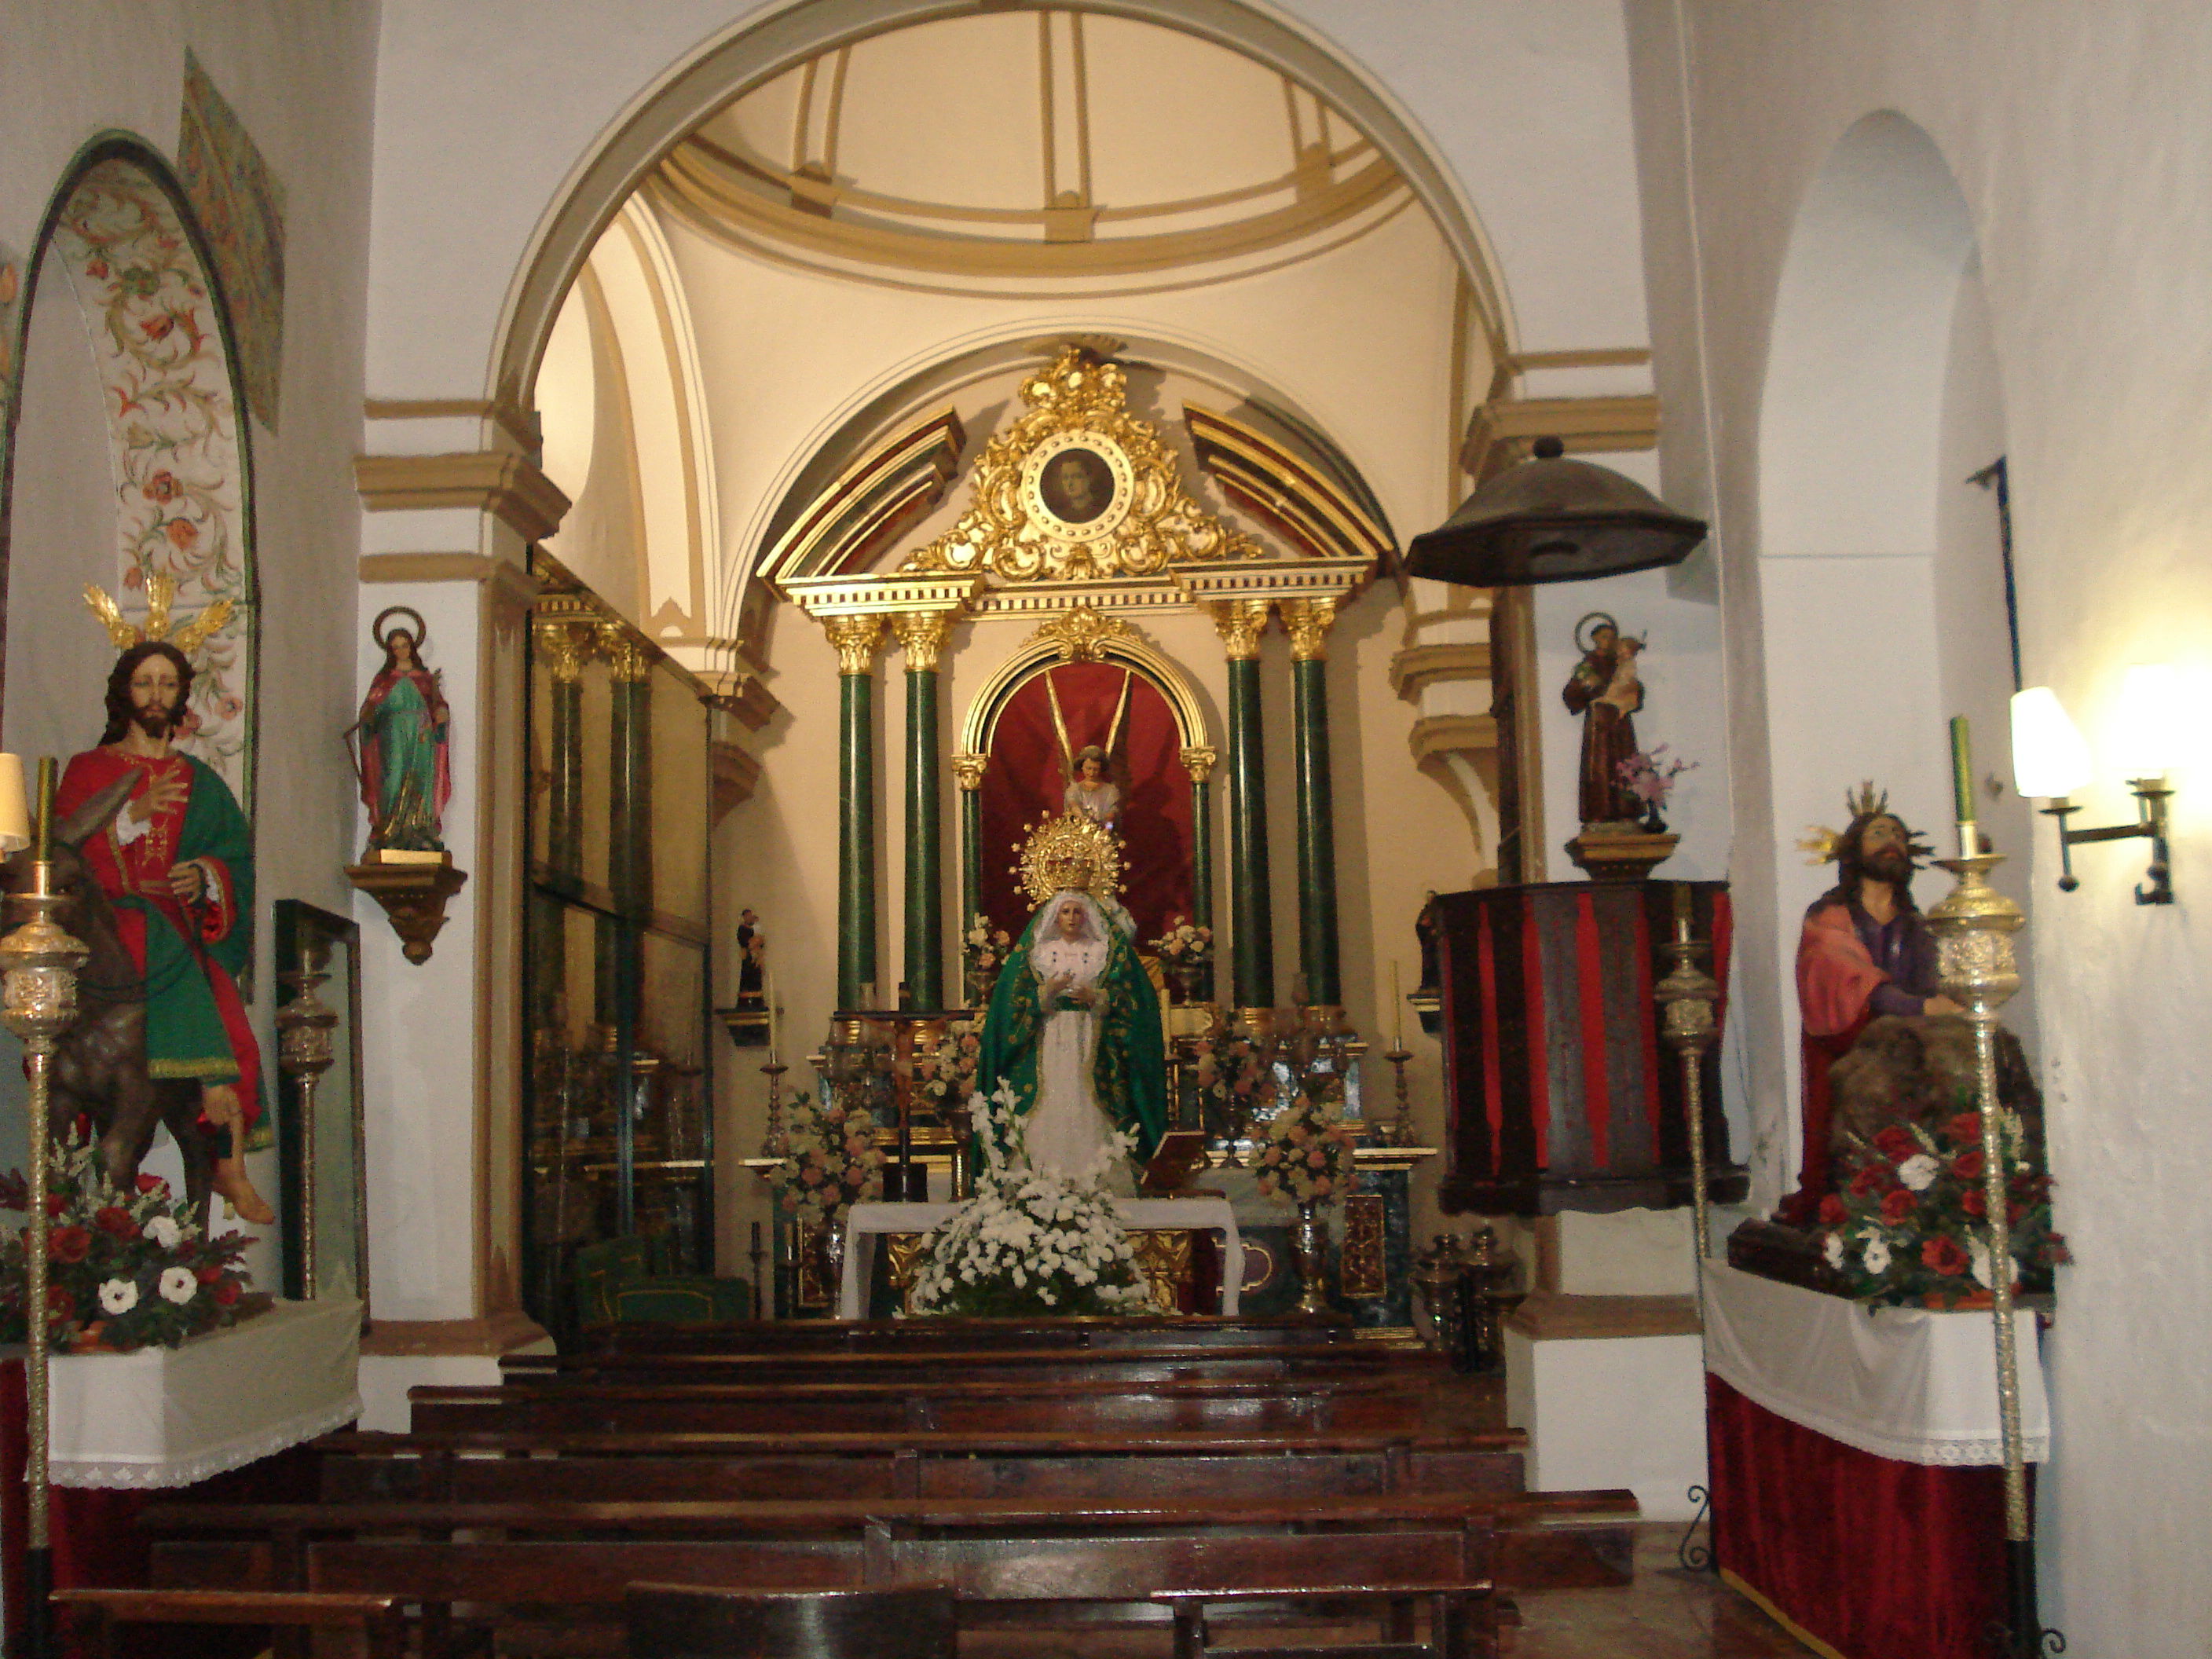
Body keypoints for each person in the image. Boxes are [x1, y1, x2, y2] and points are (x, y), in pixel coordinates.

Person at [56, 640, 274, 1224]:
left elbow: (235, 859)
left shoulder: (199, 781)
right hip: (111, 924)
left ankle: (230, 1164)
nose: (156, 695)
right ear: (124, 692)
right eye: (145, 683)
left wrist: (204, 877)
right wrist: (132, 816)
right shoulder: (89, 770)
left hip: (175, 927)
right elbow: (68, 851)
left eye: (168, 685)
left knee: (231, 1024)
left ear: (181, 697)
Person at [1777, 797, 1962, 1225]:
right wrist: (1918, 1005)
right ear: (1852, 851)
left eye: (1898, 835)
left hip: (1908, 1039)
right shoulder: (1829, 917)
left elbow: (1932, 980)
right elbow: (1843, 974)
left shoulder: (1915, 925)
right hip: (1850, 1043)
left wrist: (1938, 1005)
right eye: (1879, 834)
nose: (1892, 842)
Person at [975, 888, 1166, 1187]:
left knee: (1087, 1102)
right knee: (1050, 1098)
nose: (1072, 918)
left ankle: (1097, 1183)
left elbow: (1133, 999)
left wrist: (1098, 997)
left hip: (1091, 1036)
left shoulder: (1105, 949)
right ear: (1055, 916)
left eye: (1078, 911)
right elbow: (1010, 1002)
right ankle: (1040, 1183)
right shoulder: (1036, 950)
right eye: (1065, 911)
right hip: (1049, 1036)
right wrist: (1046, 993)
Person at [348, 623, 450, 854]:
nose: (401, 651)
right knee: (393, 775)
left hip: (421, 736)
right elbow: (371, 708)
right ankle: (390, 828)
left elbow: (437, 705)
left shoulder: (424, 678)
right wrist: (368, 717)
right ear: (390, 651)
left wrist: (441, 713)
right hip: (393, 735)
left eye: (405, 646)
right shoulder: (385, 679)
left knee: (420, 777)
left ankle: (420, 828)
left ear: (412, 648)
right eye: (396, 648)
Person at [1561, 617, 1646, 826]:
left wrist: (1632, 691)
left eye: (1611, 637)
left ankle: (1626, 811)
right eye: (1604, 637)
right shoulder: (1589, 664)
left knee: (1624, 761)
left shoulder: (1620, 662)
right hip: (1599, 721)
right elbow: (1572, 692)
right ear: (1595, 639)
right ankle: (1599, 812)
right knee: (1599, 765)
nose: (1608, 641)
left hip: (1619, 720)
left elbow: (1635, 688)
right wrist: (1588, 688)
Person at [1062, 745, 1121, 832]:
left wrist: (1107, 832)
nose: (1091, 773)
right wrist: (1084, 823)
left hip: (1103, 835)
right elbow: (1074, 807)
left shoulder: (1110, 791)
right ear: (1082, 767)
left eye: (1095, 769)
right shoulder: (1074, 790)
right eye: (1088, 768)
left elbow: (1111, 818)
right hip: (1079, 834)